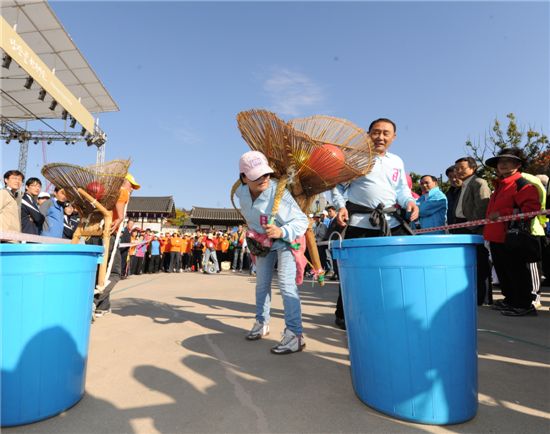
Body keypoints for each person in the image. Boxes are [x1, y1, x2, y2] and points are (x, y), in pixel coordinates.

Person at [331, 118, 419, 330]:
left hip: (389, 223)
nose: (380, 137)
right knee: (353, 272)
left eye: (385, 133)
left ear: (393, 137)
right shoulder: (355, 158)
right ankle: (344, 314)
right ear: (367, 134)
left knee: (390, 271)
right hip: (359, 223)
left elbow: (401, 190)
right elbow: (337, 187)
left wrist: (410, 202)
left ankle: (384, 311)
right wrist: (340, 206)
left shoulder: (396, 161)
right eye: (376, 132)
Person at [236, 150, 309, 354]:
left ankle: (295, 335)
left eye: (266, 173)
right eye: (257, 175)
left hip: (286, 241)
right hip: (262, 244)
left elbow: (302, 220)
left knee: (286, 285)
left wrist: (281, 230)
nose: (264, 179)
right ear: (243, 177)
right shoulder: (240, 194)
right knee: (261, 284)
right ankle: (262, 322)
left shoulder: (278, 191)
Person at [484, 148, 541, 316]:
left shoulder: (522, 184)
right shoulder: (499, 185)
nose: (502, 165)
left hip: (511, 237)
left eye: (507, 161)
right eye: (500, 162)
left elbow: (531, 210)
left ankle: (524, 305)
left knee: (516, 272)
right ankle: (511, 300)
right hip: (495, 237)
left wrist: (503, 214)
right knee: (503, 272)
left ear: (518, 164)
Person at [93, 173, 140, 317]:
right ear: (125, 182)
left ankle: (103, 306)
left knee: (101, 272)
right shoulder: (121, 191)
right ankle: (94, 300)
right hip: (109, 234)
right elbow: (120, 201)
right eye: (132, 185)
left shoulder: (104, 192)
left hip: (95, 233)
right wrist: (120, 217)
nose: (132, 189)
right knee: (114, 273)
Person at [453, 156, 492, 305]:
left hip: (473, 229)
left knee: (480, 265)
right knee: (465, 264)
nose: (458, 171)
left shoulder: (479, 183)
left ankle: (483, 299)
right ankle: (472, 296)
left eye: (462, 168)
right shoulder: (462, 185)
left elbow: (482, 207)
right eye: (456, 168)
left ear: (473, 168)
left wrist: (472, 226)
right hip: (459, 227)